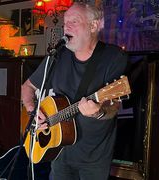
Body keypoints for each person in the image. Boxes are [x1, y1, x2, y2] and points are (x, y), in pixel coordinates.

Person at [21, 2, 128, 180]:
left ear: (93, 25)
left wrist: (99, 113)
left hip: (94, 158)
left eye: (74, 22)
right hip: (59, 151)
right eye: (65, 22)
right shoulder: (58, 56)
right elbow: (28, 87)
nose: (66, 27)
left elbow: (114, 105)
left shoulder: (113, 57)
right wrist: (33, 111)